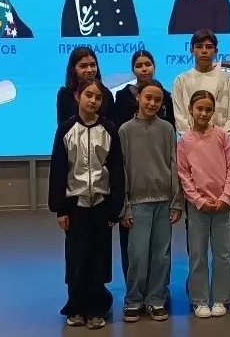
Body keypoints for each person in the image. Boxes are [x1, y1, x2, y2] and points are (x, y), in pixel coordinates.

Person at [48, 79, 126, 329]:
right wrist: (60, 208)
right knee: (77, 257)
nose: (93, 101)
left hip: (101, 204)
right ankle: (76, 306)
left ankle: (96, 307)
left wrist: (115, 208)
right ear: (77, 96)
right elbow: (58, 170)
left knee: (98, 257)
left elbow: (116, 170)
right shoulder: (66, 130)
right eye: (88, 95)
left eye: (98, 97)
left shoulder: (109, 130)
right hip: (75, 205)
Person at [171, 28, 230, 287]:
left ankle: (228, 269)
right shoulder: (181, 80)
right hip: (192, 151)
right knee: (196, 218)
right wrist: (196, 139)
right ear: (191, 49)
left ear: (215, 50)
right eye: (199, 46)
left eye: (209, 46)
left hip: (220, 150)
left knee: (224, 215)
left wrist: (216, 138)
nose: (204, 51)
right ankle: (197, 274)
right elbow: (180, 117)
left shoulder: (225, 79)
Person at [119, 79, 185, 323]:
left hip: (164, 201)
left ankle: (156, 299)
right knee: (137, 255)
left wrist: (176, 201)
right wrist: (125, 205)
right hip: (137, 203)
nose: (152, 103)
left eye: (158, 100)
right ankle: (133, 300)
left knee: (161, 255)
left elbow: (174, 164)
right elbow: (122, 169)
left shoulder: (167, 129)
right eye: (148, 98)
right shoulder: (125, 130)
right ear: (138, 97)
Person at [177, 90, 230, 318]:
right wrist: (198, 200)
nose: (203, 113)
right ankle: (200, 300)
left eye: (208, 109)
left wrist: (226, 197)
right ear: (190, 110)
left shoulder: (222, 137)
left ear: (213, 111)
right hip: (198, 208)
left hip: (223, 206)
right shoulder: (184, 141)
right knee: (198, 254)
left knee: (223, 255)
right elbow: (183, 174)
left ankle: (222, 298)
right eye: (199, 109)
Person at [113, 50, 175, 283]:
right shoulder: (122, 103)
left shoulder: (166, 106)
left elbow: (171, 154)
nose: (144, 68)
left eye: (148, 63)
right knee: (135, 249)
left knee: (160, 251)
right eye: (139, 65)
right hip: (135, 188)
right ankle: (134, 291)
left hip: (160, 190)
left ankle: (158, 292)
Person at [56, 46, 114, 125]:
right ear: (74, 68)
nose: (89, 70)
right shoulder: (64, 94)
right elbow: (62, 127)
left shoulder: (106, 93)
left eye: (93, 65)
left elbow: (112, 125)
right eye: (83, 66)